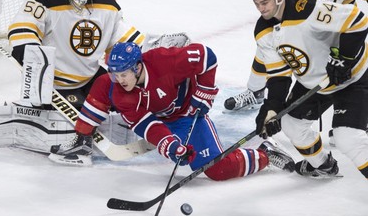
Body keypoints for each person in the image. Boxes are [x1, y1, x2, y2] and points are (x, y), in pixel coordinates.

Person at [55, 41, 296, 179]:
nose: (120, 80)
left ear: (138, 67)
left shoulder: (165, 61)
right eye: (116, 75)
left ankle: (265, 152)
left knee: (218, 170)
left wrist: (203, 91)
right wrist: (170, 145)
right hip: (162, 120)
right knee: (103, 87)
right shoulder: (120, 91)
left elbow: (206, 56)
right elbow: (146, 125)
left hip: (186, 115)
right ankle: (81, 137)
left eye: (124, 74)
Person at [248, 0, 368, 178]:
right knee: (291, 124)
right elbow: (278, 74)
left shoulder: (306, 8)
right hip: (314, 83)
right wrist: (272, 107)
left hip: (352, 77)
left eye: (264, 1)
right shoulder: (263, 31)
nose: (261, 8)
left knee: (346, 137)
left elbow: (357, 20)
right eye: (257, 3)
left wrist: (345, 61)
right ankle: (323, 165)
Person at [224, 0, 368, 112]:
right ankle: (255, 91)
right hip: (299, 16)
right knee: (268, 45)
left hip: (334, 24)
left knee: (355, 66)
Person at [8, 0, 146, 110]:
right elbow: (23, 26)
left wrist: (148, 55)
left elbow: (125, 41)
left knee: (129, 101)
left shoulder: (105, 3)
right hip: (54, 81)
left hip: (91, 76)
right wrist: (31, 55)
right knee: (80, 112)